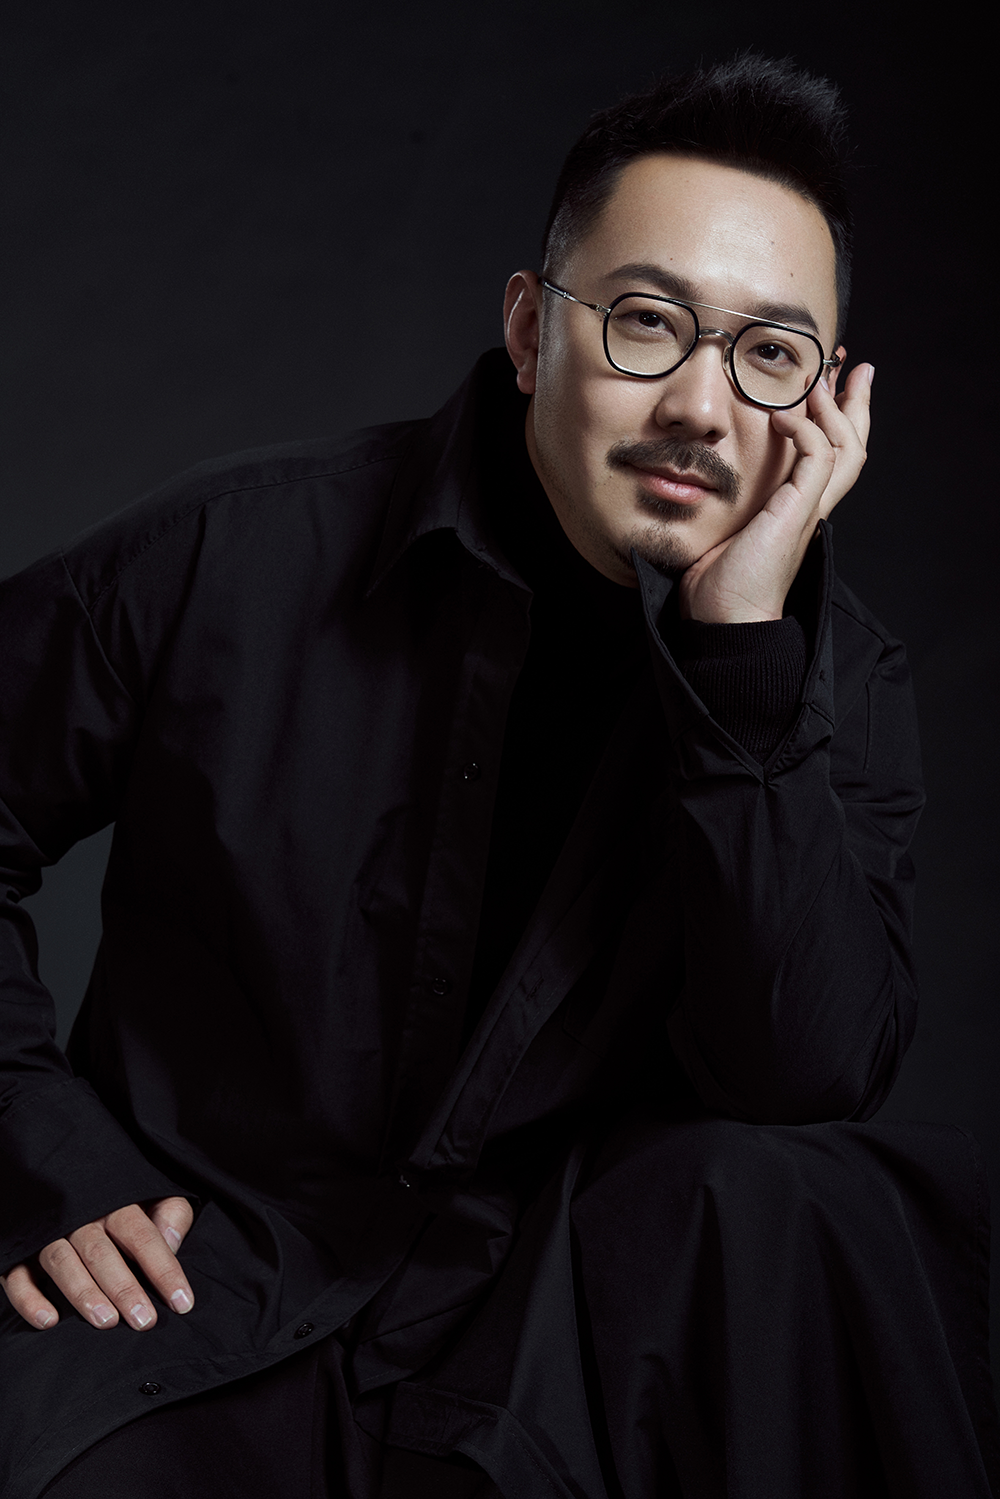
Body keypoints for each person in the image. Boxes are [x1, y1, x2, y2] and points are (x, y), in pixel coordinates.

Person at [0, 52, 997, 1499]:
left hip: (553, 1358)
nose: (704, 409)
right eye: (649, 323)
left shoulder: (838, 682)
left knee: (818, 1202)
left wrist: (740, 659)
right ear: (533, 329)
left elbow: (801, 1077)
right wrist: (43, 1156)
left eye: (774, 355)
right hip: (196, 1302)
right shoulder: (237, 552)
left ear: (828, 407)